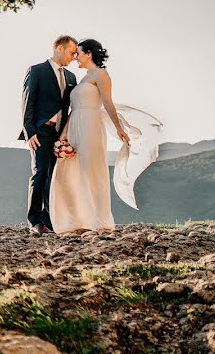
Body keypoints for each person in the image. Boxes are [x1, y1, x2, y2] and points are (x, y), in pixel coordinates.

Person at [49, 39, 162, 234]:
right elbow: (72, 110)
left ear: (89, 54)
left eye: (79, 54)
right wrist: (63, 135)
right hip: (74, 126)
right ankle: (75, 221)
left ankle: (100, 222)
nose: (75, 58)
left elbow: (108, 103)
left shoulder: (101, 74)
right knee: (66, 174)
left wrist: (119, 128)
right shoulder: (81, 79)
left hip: (91, 127)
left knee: (91, 171)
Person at [19, 35, 78, 236]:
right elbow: (27, 102)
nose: (73, 57)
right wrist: (29, 132)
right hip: (40, 130)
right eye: (71, 52)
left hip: (59, 134)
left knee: (53, 176)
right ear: (59, 48)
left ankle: (47, 219)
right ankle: (34, 221)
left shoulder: (71, 78)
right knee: (40, 172)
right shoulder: (37, 71)